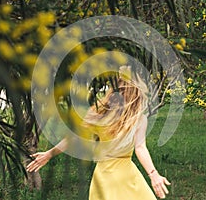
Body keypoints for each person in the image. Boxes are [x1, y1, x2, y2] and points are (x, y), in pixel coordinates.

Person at [27, 66, 171, 199]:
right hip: (116, 175)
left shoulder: (124, 116)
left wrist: (153, 174)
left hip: (117, 173)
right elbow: (140, 147)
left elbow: (140, 147)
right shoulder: (118, 115)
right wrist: (153, 175)